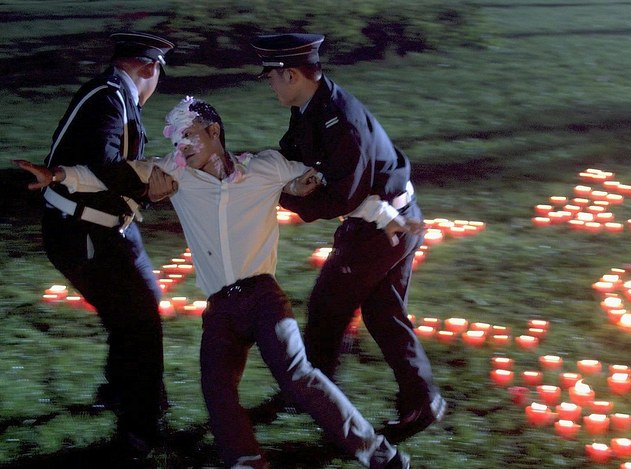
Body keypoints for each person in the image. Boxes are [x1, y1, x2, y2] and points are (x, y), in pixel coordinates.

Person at [17, 97, 411, 469]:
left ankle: (379, 454)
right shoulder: (175, 174)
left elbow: (333, 194)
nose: (182, 146)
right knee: (217, 389)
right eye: (176, 140)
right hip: (221, 310)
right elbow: (110, 177)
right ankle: (246, 462)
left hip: (263, 297)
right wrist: (58, 175)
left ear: (214, 131)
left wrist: (382, 214)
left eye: (189, 135)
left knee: (297, 376)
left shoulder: (265, 167)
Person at [251, 32, 446, 443]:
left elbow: (344, 196)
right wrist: (275, 172)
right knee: (383, 313)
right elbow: (295, 153)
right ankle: (422, 401)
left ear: (291, 75)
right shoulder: (312, 105)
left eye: (271, 76)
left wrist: (286, 196)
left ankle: (311, 395)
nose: (269, 84)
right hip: (393, 219)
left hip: (381, 227)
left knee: (326, 309)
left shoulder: (339, 118)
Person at [24, 31, 175, 457]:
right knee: (140, 323)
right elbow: (104, 165)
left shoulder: (113, 95)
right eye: (158, 73)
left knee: (137, 309)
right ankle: (140, 429)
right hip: (84, 232)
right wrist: (152, 181)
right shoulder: (108, 98)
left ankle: (120, 390)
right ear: (150, 67)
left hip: (105, 226)